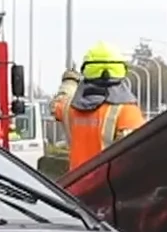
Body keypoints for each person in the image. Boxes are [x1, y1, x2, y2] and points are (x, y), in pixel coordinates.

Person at [51, 42, 146, 170]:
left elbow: (57, 103)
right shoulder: (127, 111)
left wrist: (69, 81)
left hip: (75, 185)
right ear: (121, 69)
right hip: (106, 186)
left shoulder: (70, 107)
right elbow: (136, 156)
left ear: (87, 69)